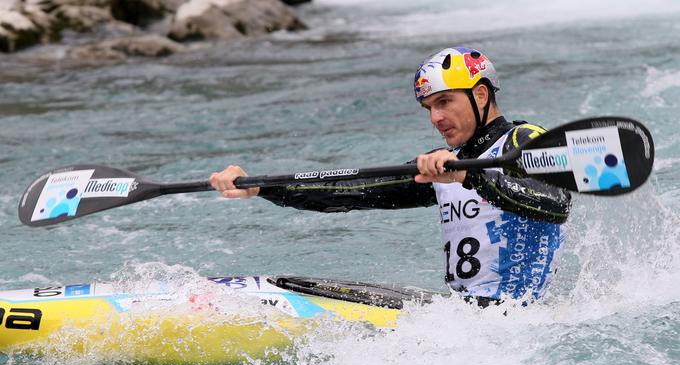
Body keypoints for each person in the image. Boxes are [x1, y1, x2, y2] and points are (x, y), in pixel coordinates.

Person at [210, 47, 571, 306]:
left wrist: (467, 178)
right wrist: (261, 187)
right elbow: (350, 191)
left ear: (480, 94)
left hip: (521, 318)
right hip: (465, 316)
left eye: (444, 102)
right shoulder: (444, 164)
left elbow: (555, 204)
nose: (435, 118)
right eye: (429, 108)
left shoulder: (525, 140)